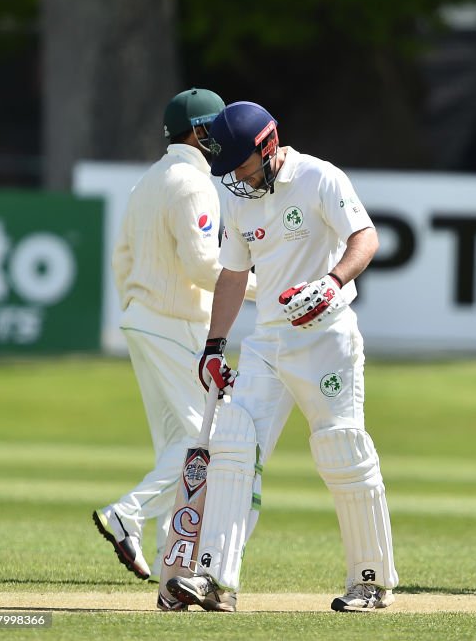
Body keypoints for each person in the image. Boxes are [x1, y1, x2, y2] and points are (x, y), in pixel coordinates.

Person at [166, 101, 397, 613]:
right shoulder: (237, 193)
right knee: (234, 446)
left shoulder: (320, 178)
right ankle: (213, 581)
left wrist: (334, 281)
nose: (236, 180)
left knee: (341, 448)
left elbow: (366, 237)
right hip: (268, 340)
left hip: (325, 337)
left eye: (242, 167)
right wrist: (213, 345)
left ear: (268, 147)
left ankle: (370, 582)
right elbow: (230, 274)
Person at [94, 88, 256, 585]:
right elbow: (204, 265)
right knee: (197, 439)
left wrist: (136, 306)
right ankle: (128, 512)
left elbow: (122, 256)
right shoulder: (192, 184)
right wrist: (264, 288)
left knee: (174, 440)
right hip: (174, 322)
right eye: (217, 129)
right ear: (200, 133)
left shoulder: (150, 179)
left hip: (146, 320)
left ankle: (173, 551)